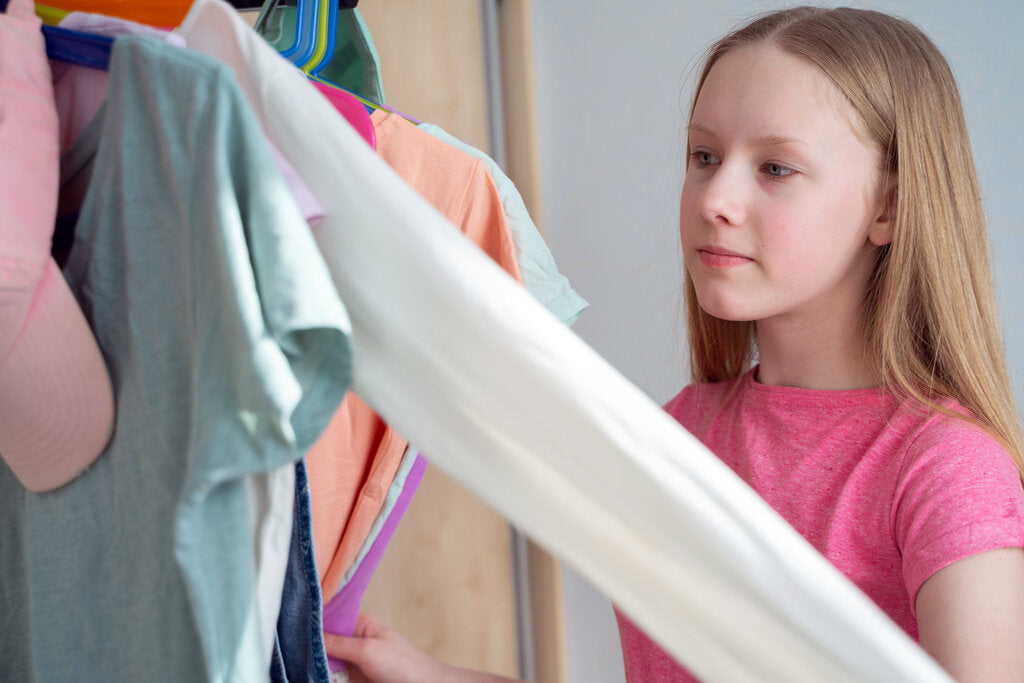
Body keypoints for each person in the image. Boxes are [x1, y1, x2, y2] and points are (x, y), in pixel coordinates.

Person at [324, 6, 1024, 682]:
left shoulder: (944, 466)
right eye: (704, 155)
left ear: (889, 207)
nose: (714, 196)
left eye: (775, 168)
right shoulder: (680, 431)